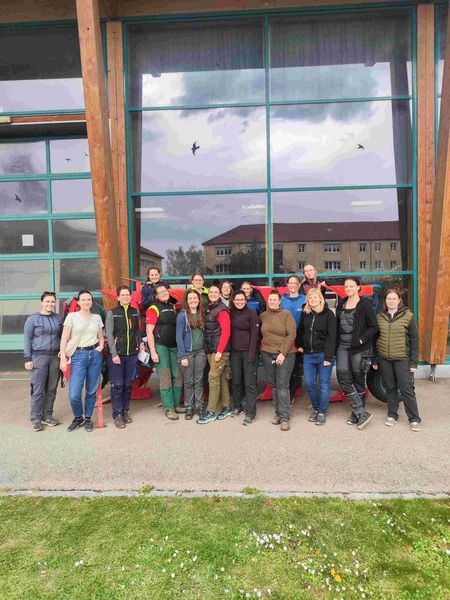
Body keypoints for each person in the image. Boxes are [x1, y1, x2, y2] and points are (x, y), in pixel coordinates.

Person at [373, 289, 421, 431]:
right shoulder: (380, 317)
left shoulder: (408, 316)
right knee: (390, 388)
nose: (391, 301)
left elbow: (414, 340)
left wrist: (414, 362)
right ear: (385, 301)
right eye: (389, 299)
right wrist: (375, 359)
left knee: (406, 388)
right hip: (384, 359)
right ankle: (392, 414)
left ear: (399, 300)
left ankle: (414, 418)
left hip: (402, 359)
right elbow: (375, 339)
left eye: (394, 299)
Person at [335, 278, 378, 430]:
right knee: (342, 377)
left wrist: (361, 340)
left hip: (358, 348)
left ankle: (356, 413)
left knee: (358, 379)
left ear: (358, 287)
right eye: (346, 286)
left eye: (351, 286)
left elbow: (374, 327)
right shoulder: (341, 303)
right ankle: (361, 412)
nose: (348, 288)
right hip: (342, 346)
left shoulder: (365, 304)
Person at [60, 290, 104, 432]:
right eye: (83, 299)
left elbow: (101, 336)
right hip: (78, 355)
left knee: (91, 390)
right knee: (74, 393)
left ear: (92, 301)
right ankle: (78, 417)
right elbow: (64, 339)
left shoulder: (97, 317)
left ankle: (88, 418)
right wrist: (62, 359)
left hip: (94, 355)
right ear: (78, 302)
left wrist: (101, 346)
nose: (86, 302)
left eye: (89, 299)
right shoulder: (72, 317)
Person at [105, 285, 145, 429]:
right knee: (118, 386)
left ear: (130, 296)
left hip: (132, 354)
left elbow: (137, 331)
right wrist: (114, 353)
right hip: (117, 355)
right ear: (118, 297)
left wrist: (140, 343)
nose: (125, 297)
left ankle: (125, 411)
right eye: (122, 295)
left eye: (127, 295)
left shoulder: (135, 312)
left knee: (128, 385)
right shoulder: (112, 313)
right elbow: (109, 334)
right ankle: (117, 415)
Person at [23, 291, 63, 432]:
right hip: (39, 357)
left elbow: (63, 337)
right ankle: (35, 419)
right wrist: (27, 358)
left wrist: (63, 352)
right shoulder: (32, 319)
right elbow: (27, 339)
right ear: (42, 302)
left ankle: (47, 416)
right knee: (38, 389)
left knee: (51, 388)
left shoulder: (58, 318)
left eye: (52, 301)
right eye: (47, 301)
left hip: (55, 357)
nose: (50, 304)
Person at [297, 288, 336, 426]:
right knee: (309, 383)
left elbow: (332, 337)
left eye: (315, 297)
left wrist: (329, 357)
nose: (312, 299)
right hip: (308, 354)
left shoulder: (329, 314)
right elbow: (300, 330)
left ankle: (322, 412)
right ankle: (316, 408)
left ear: (320, 298)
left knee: (324, 384)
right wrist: (300, 344)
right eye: (310, 297)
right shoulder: (305, 313)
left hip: (323, 354)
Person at [146, 284, 184, 420]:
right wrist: (153, 351)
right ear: (156, 295)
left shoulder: (172, 307)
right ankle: (168, 408)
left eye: (165, 291)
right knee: (165, 377)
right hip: (161, 346)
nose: (164, 293)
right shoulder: (153, 308)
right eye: (160, 292)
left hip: (174, 346)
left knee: (178, 375)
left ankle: (176, 404)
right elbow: (149, 331)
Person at [260, 289, 297, 431]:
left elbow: (291, 334)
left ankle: (285, 418)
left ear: (280, 301)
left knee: (282, 385)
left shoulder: (287, 315)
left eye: (275, 299)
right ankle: (278, 413)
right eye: (270, 300)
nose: (272, 302)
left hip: (285, 355)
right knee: (274, 384)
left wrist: (282, 352)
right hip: (267, 353)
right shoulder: (263, 316)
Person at [197, 285, 232, 424]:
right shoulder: (210, 307)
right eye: (210, 292)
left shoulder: (222, 310)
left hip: (219, 351)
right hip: (211, 349)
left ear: (220, 294)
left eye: (215, 292)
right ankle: (227, 407)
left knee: (213, 378)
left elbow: (226, 332)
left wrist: (219, 351)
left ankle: (211, 411)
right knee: (221, 378)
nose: (212, 294)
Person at [230, 290, 260, 425]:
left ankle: (250, 413)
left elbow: (255, 336)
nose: (239, 302)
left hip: (249, 352)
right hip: (235, 353)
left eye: (241, 299)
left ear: (245, 300)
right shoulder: (231, 313)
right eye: (237, 299)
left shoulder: (252, 315)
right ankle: (237, 406)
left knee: (249, 384)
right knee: (236, 381)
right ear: (233, 300)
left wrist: (251, 355)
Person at [176, 289, 207, 420]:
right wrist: (182, 356)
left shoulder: (202, 313)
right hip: (187, 353)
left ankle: (199, 406)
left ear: (199, 300)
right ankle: (189, 407)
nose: (193, 300)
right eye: (190, 298)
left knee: (199, 381)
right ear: (187, 301)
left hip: (201, 352)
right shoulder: (182, 315)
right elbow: (179, 337)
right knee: (188, 381)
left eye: (195, 298)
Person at [280, 274, 306, 404]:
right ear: (287, 284)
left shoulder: (305, 299)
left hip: (300, 340)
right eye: (290, 283)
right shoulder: (282, 300)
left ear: (299, 285)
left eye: (295, 283)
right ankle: (289, 395)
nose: (292, 285)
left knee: (296, 369)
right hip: (285, 340)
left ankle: (295, 391)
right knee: (287, 370)